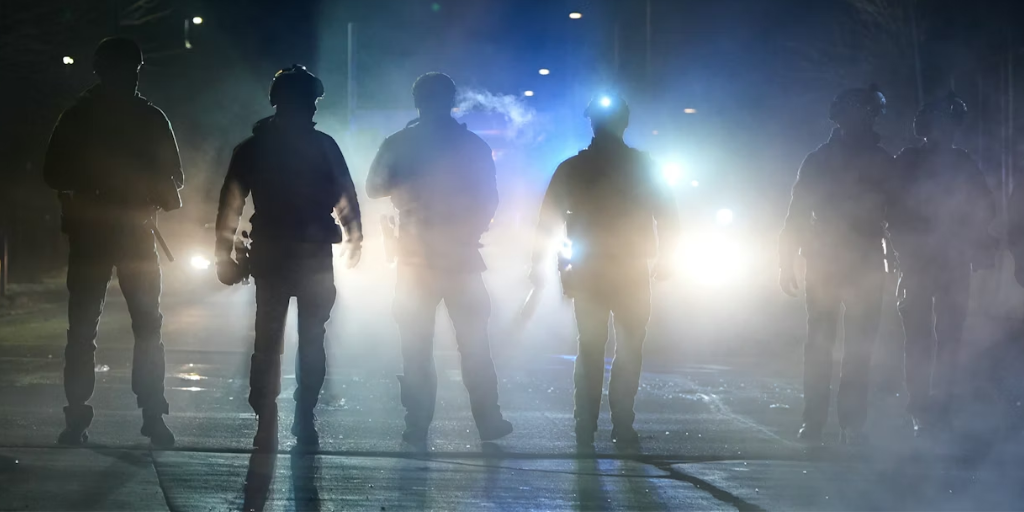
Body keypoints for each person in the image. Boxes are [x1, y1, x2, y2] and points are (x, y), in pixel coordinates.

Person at [215, 65, 363, 451]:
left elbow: (230, 205)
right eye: (309, 101)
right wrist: (354, 237)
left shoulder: (254, 148)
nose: (313, 109)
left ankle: (269, 415)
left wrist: (224, 254)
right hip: (309, 254)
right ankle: (300, 416)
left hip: (274, 253)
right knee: (310, 338)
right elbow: (346, 197)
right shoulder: (323, 146)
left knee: (270, 339)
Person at [43, 37, 182, 447]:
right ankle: (150, 414)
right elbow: (174, 180)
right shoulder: (147, 117)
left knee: (89, 327)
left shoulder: (80, 116)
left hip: (102, 235)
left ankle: (82, 417)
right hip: (127, 234)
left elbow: (53, 173)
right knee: (141, 326)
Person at [366, 72, 512, 447]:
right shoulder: (472, 145)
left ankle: (417, 422)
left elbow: (374, 187)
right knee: (474, 343)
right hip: (461, 256)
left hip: (416, 258)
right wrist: (469, 231)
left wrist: (406, 179)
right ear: (451, 101)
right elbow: (490, 199)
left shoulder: (399, 143)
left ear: (417, 102)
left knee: (416, 346)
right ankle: (488, 419)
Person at [529, 95, 679, 447]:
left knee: (591, 348)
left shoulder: (573, 168)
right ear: (624, 123)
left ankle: (586, 425)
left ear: (593, 124)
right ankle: (622, 425)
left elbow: (546, 220)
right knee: (628, 346)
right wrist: (667, 256)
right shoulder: (643, 166)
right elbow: (668, 216)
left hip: (591, 270)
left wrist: (541, 265)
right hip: (629, 269)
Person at [778, 85, 895, 446]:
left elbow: (901, 213)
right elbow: (797, 213)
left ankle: (851, 424)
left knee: (858, 347)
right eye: (854, 114)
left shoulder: (880, 162)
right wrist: (786, 261)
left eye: (865, 114)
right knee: (821, 345)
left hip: (863, 260)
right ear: (841, 117)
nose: (859, 121)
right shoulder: (819, 160)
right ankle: (815, 422)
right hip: (828, 261)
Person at [888, 92, 996, 437]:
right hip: (921, 261)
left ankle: (941, 408)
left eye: (948, 126)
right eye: (939, 125)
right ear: (926, 127)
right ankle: (922, 407)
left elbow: (983, 208)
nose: (943, 132)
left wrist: (977, 242)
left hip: (951, 261)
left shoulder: (961, 163)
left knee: (948, 338)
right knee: (921, 339)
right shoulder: (907, 162)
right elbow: (890, 208)